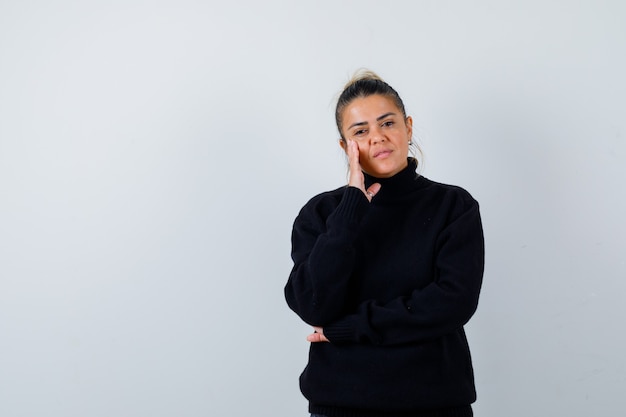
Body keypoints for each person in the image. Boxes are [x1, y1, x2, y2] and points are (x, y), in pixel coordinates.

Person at [284, 70, 485, 417]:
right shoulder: (321, 213)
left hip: (435, 403)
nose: (377, 137)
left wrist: (351, 328)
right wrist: (351, 210)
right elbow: (313, 305)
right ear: (346, 146)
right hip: (341, 404)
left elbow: (453, 302)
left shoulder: (453, 206)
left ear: (407, 127)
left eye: (387, 123)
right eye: (360, 131)